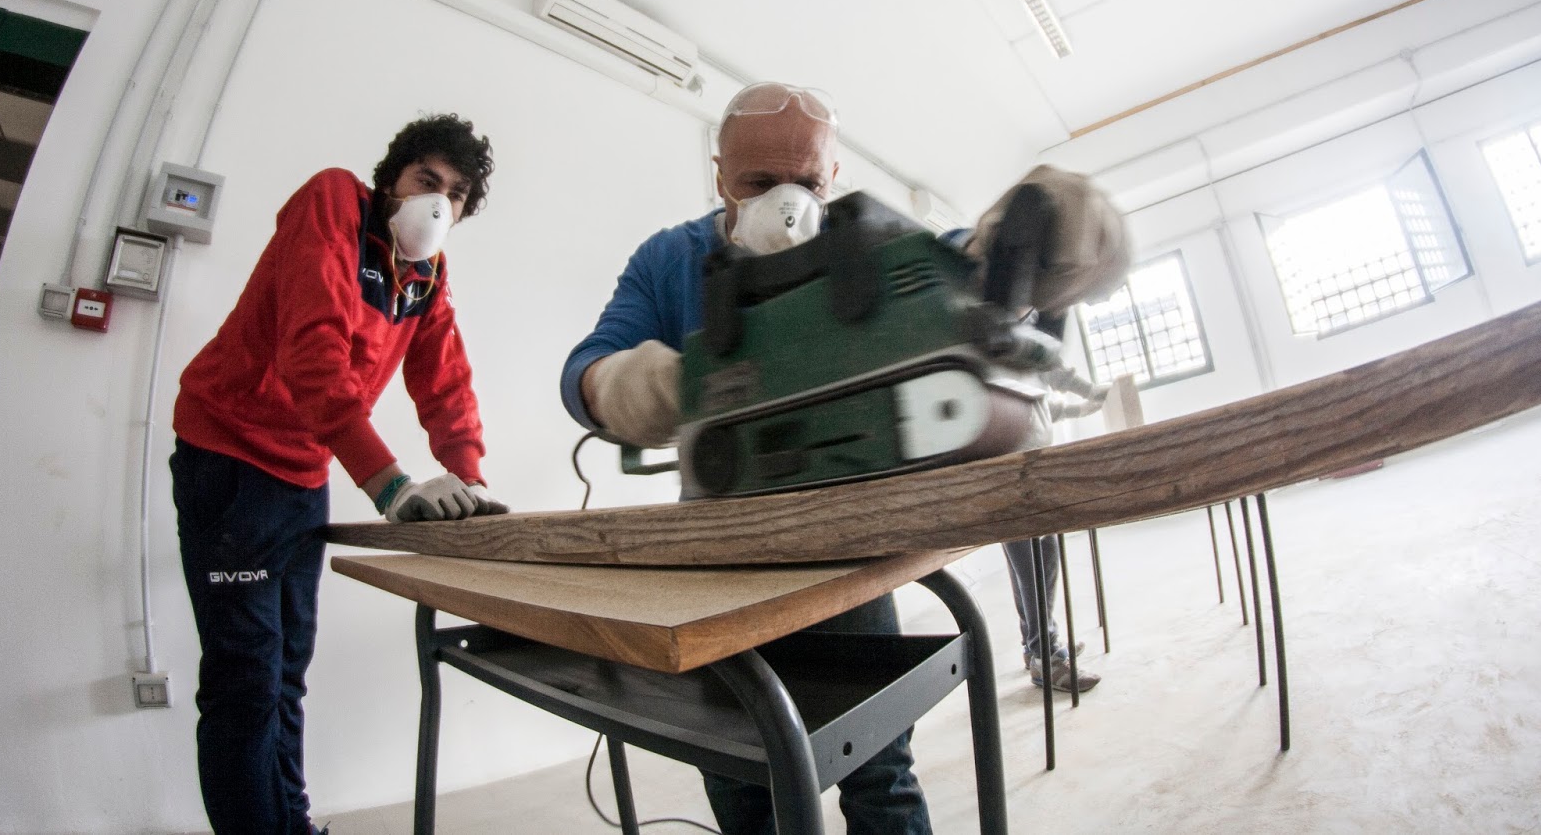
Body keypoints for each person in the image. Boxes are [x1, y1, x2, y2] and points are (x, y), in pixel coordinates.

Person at [561, 82, 1127, 832]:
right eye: (759, 182)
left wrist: (1035, 245)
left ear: (832, 175)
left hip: (846, 542)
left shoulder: (872, 246)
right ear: (719, 174)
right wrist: (635, 385)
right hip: (718, 553)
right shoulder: (671, 259)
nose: (785, 200)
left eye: (806, 180)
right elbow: (584, 369)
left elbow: (968, 266)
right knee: (740, 774)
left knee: (879, 767)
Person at [170, 113, 509, 835]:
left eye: (454, 196)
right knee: (244, 675)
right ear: (392, 180)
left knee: (287, 670)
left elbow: (445, 379)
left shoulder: (426, 275)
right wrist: (391, 486)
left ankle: (292, 825)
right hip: (229, 458)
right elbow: (313, 354)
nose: (438, 204)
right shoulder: (334, 204)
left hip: (304, 473)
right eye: (426, 181)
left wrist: (470, 481)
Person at [953, 164, 1130, 694]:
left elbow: (1041, 365)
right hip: (995, 456)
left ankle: (1041, 639)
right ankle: (1042, 650)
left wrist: (1085, 394)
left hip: (1022, 448)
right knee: (1034, 555)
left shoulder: (1025, 308)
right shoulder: (961, 276)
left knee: (1039, 554)